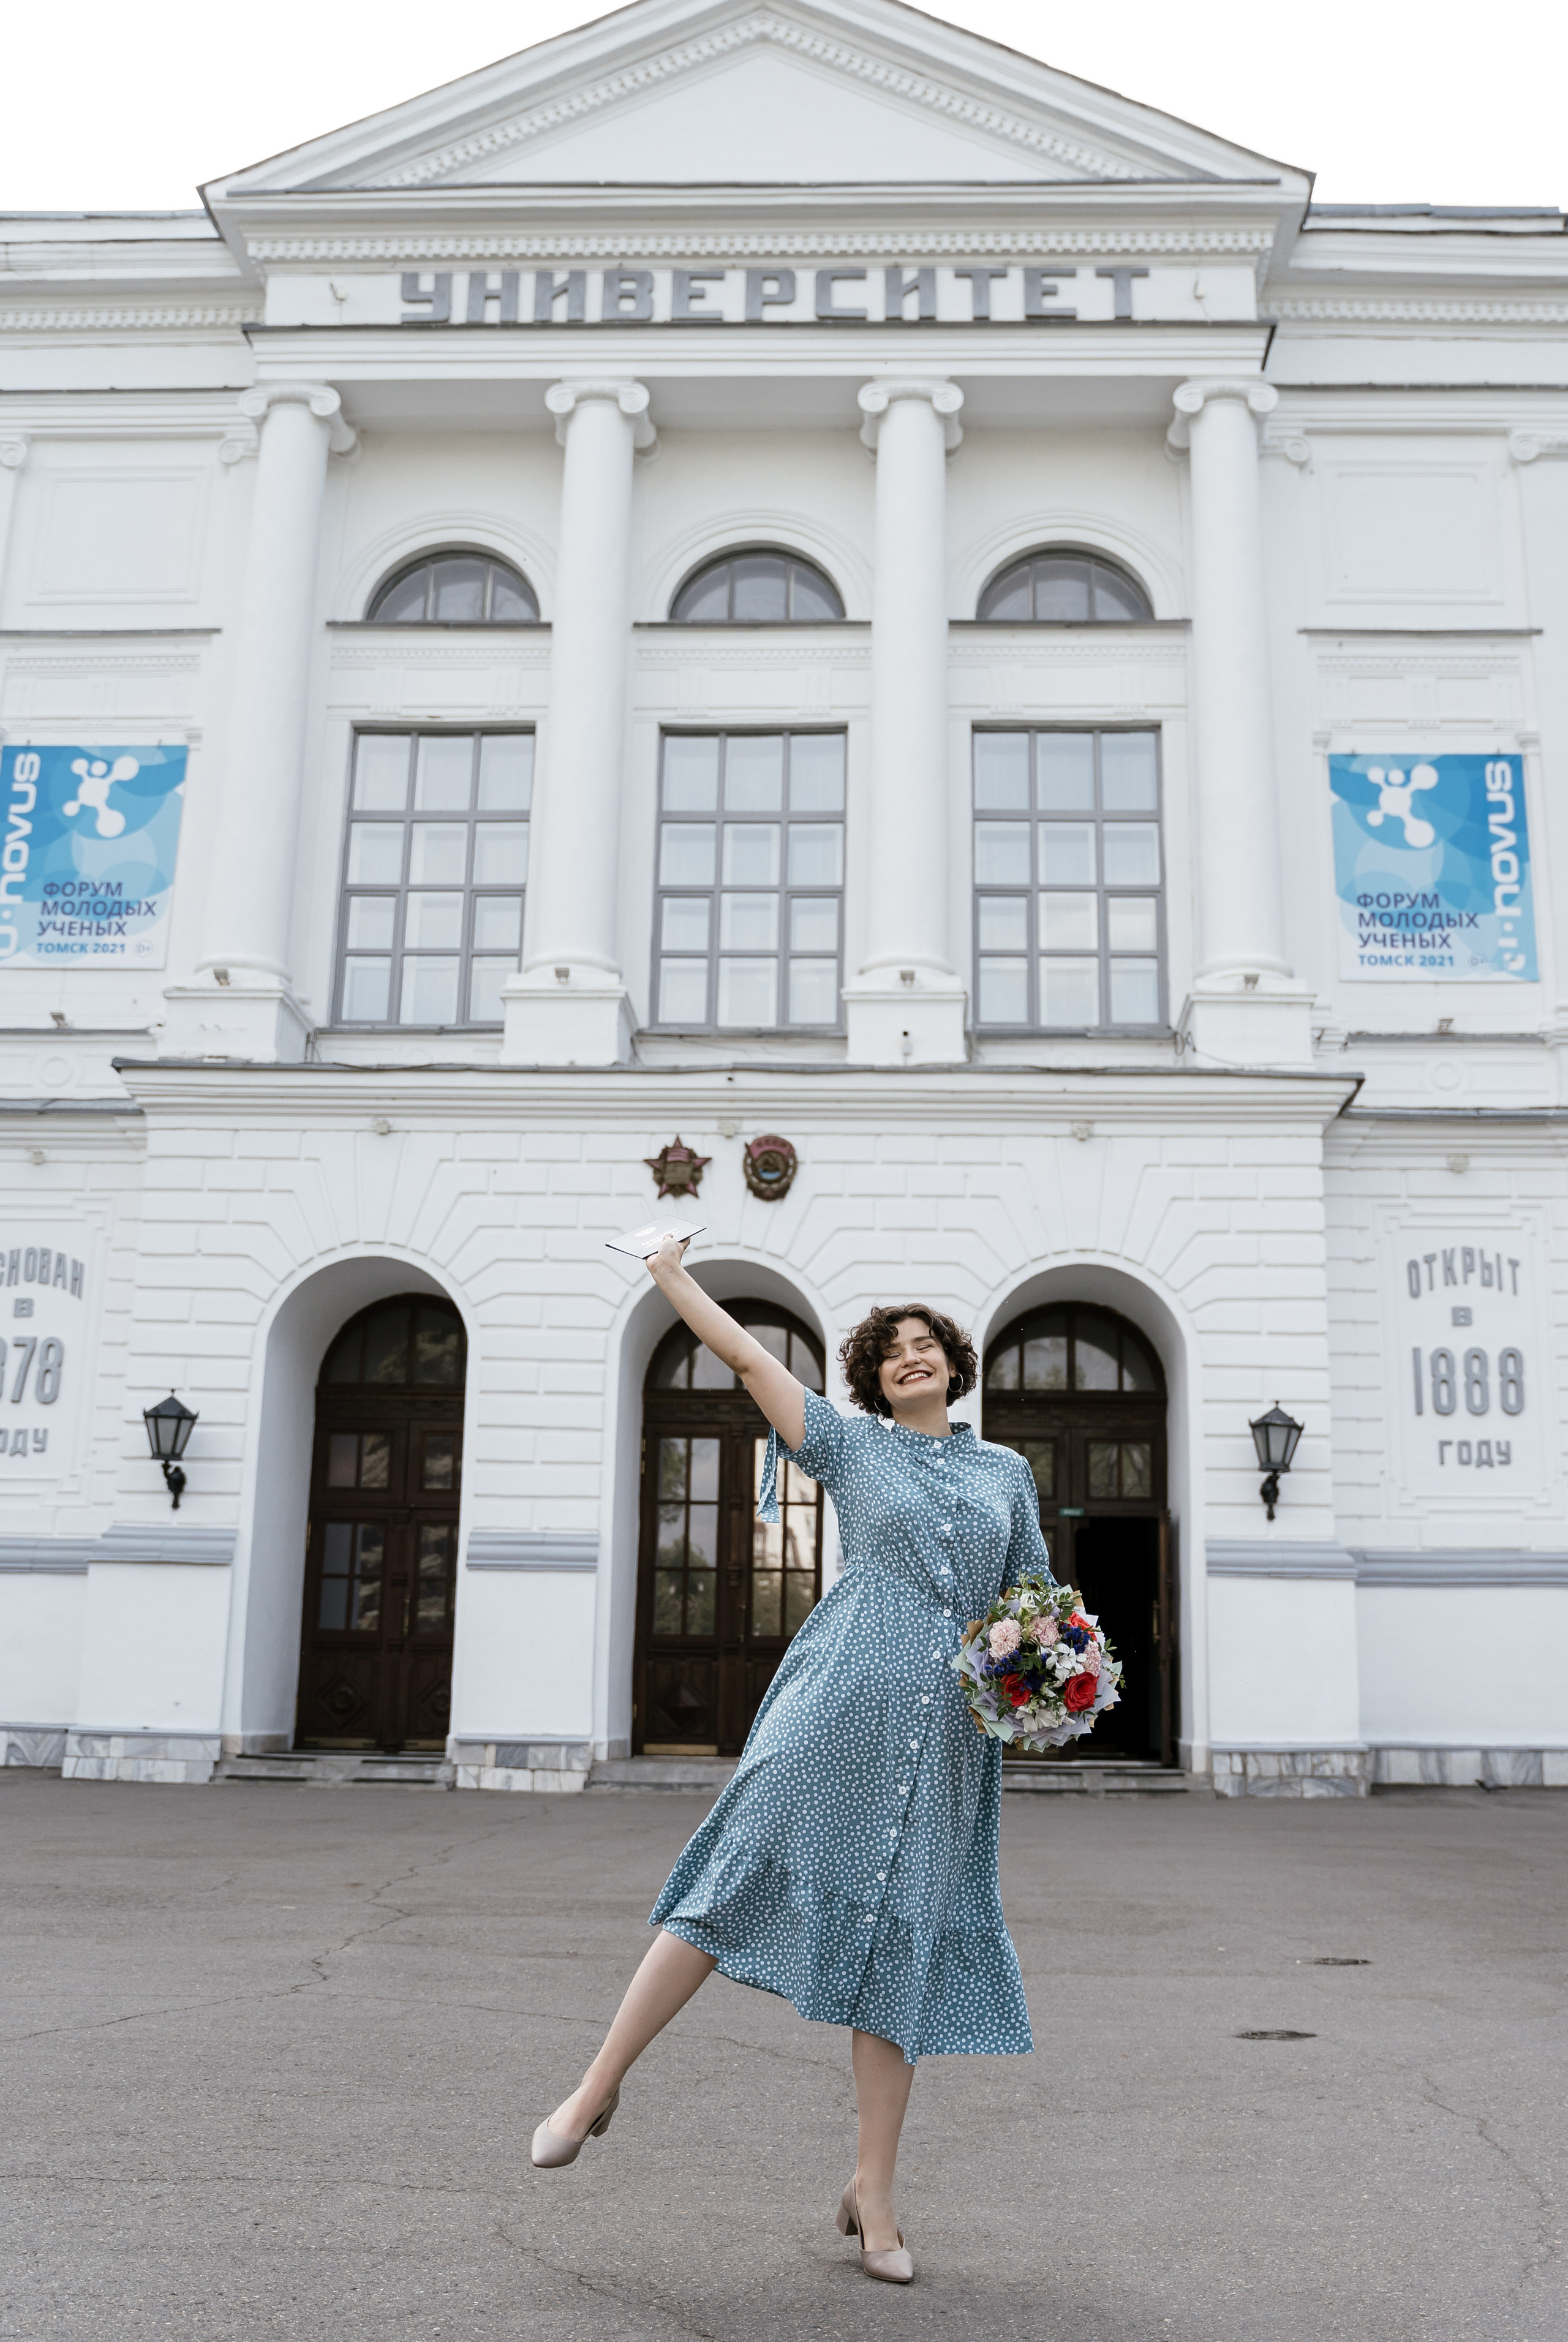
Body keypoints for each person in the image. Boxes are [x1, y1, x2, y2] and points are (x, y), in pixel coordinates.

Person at [531, 1237, 1052, 2284]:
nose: (912, 1357)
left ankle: (875, 2195)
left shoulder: (1008, 1473)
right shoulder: (851, 1447)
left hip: (947, 1736)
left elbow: (1034, 1602)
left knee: (899, 1947)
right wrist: (670, 1276)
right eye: (892, 1350)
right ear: (873, 1376)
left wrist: (1052, 1676)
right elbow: (746, 1358)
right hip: (838, 1704)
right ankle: (596, 2086)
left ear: (954, 1362)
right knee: (731, 1880)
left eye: (927, 1345)